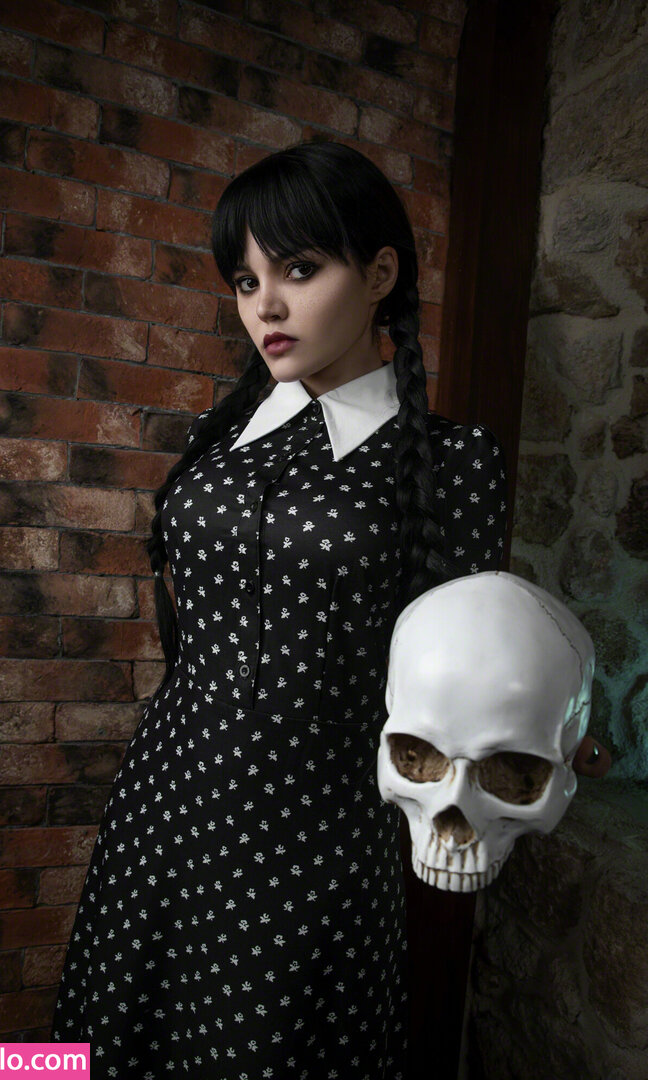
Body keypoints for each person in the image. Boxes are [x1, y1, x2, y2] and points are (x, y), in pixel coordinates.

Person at [53, 140, 516, 1077]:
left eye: (299, 270)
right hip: (164, 804)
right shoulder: (219, 434)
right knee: (111, 1042)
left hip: (316, 832)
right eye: (245, 280)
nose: (265, 305)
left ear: (380, 272)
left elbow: (467, 679)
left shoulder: (454, 461)